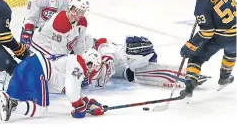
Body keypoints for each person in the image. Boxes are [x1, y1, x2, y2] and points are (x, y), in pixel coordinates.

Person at [0, 49, 105, 121]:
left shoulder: (73, 63)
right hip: (37, 70)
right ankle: (12, 106)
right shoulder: (79, 66)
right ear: (90, 63)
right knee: (40, 109)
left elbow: (75, 90)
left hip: (27, 64)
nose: (93, 72)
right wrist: (79, 109)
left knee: (10, 96)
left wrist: (89, 104)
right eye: (95, 68)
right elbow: (71, 90)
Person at [180, 0, 236, 99]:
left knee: (195, 58)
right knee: (231, 53)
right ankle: (224, 78)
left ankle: (189, 86)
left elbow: (207, 33)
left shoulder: (201, 8)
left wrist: (190, 45)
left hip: (220, 38)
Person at [82, 36, 210, 88]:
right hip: (130, 69)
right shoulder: (91, 56)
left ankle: (189, 76)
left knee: (159, 72)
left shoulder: (102, 46)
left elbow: (105, 71)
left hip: (133, 61)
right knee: (153, 75)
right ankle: (187, 76)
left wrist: (89, 78)